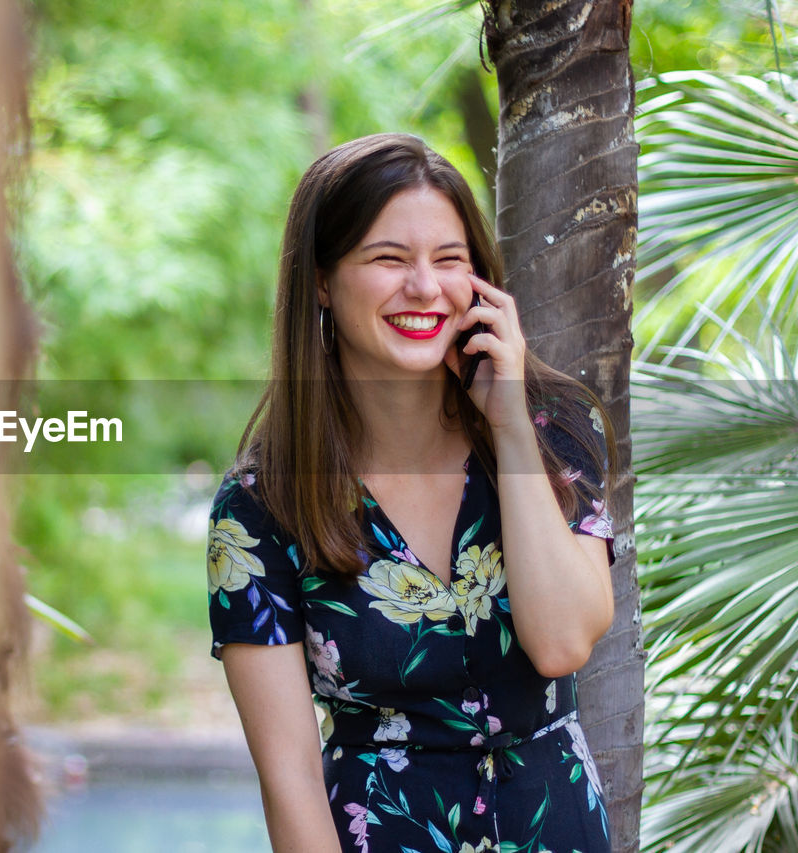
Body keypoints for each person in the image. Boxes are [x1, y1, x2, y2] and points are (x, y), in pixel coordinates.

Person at [206, 133, 617, 853]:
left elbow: (560, 643)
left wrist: (512, 427)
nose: (425, 287)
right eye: (389, 259)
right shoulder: (257, 509)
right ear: (323, 281)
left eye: (449, 260)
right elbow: (292, 777)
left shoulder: (553, 425)